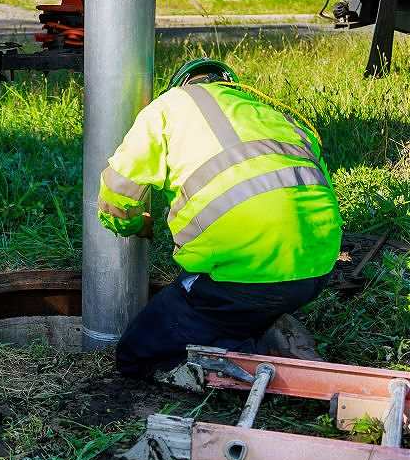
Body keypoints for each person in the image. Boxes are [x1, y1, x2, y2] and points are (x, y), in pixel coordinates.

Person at [97, 58, 342, 378]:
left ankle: (247, 356)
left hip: (242, 276)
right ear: (229, 85)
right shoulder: (272, 114)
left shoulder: (167, 107)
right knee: (241, 305)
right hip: (317, 268)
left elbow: (117, 192)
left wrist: (133, 225)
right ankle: (266, 328)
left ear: (182, 85)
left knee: (134, 355)